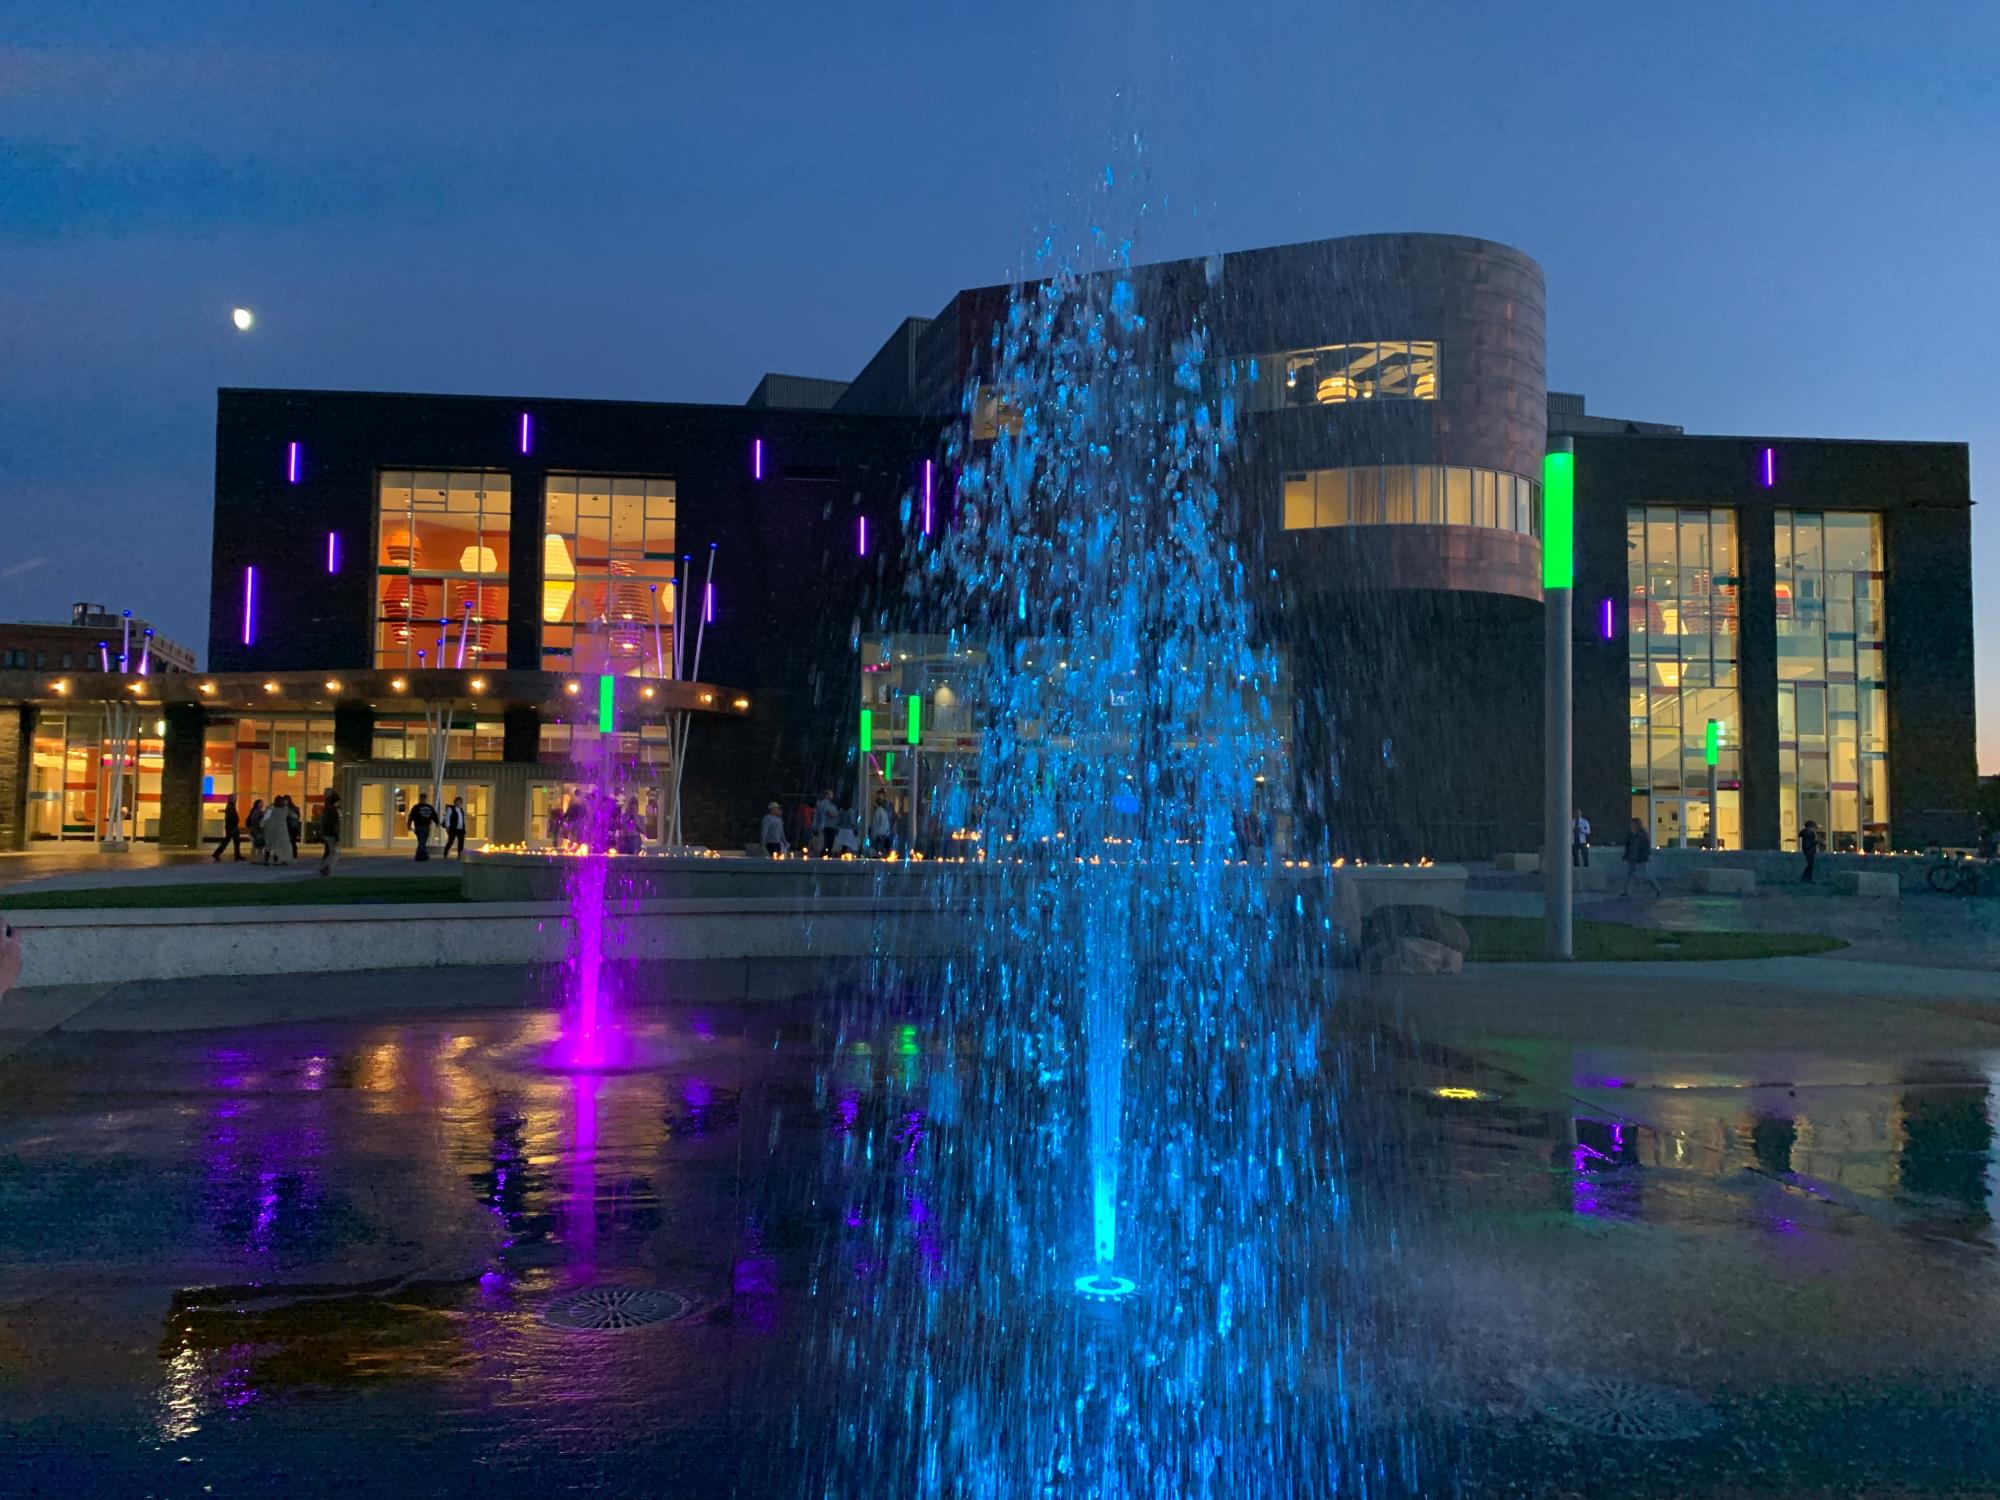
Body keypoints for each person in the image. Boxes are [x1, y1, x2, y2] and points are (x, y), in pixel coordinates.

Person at [1621, 817, 1659, 896]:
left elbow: (1646, 847)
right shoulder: (1630, 835)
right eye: (1631, 824)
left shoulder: (1643, 835)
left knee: (1645, 875)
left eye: (1633, 824)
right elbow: (1627, 846)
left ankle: (1656, 888)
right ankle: (1625, 890)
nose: (1632, 826)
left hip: (1640, 858)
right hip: (1631, 857)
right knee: (1629, 874)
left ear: (1637, 825)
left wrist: (1645, 856)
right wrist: (1626, 855)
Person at [263, 794, 296, 867]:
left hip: (270, 829)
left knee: (269, 845)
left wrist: (262, 825)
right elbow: (293, 815)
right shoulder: (284, 809)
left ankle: (267, 859)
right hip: (281, 830)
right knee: (278, 845)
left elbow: (265, 818)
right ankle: (277, 859)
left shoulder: (271, 809)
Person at [211, 796, 244, 862]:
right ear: (232, 799)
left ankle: (217, 854)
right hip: (232, 828)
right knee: (234, 841)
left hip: (231, 827)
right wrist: (234, 825)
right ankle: (237, 856)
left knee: (229, 841)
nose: (236, 800)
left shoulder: (230, 806)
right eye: (235, 799)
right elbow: (231, 817)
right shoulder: (230, 807)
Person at [318, 790, 343, 877]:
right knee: (334, 852)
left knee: (329, 851)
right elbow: (334, 823)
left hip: (327, 833)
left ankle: (324, 866)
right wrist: (336, 834)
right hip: (331, 834)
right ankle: (326, 867)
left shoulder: (327, 809)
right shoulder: (333, 810)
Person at [409, 792, 439, 860]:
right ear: (420, 799)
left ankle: (422, 854)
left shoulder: (429, 807)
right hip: (419, 826)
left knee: (423, 841)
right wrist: (409, 824)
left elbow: (434, 815)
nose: (423, 800)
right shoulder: (416, 807)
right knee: (422, 841)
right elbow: (411, 816)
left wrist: (437, 822)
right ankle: (421, 855)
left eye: (424, 798)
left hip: (426, 826)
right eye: (421, 798)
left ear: (426, 799)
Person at [814, 789, 840, 857]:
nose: (832, 796)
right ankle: (824, 855)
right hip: (827, 825)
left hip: (829, 825)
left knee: (828, 842)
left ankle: (825, 855)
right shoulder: (825, 803)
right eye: (831, 794)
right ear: (827, 795)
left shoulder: (826, 803)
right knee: (827, 843)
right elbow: (827, 812)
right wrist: (835, 815)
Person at [246, 798, 268, 862]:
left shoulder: (255, 811)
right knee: (259, 845)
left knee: (256, 845)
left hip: (255, 831)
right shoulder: (257, 812)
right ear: (258, 804)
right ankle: (257, 858)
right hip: (257, 831)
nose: (262, 804)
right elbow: (259, 822)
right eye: (261, 803)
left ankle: (255, 858)